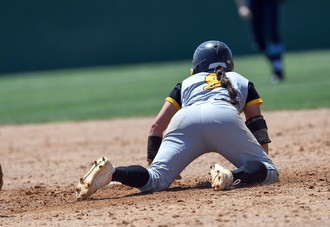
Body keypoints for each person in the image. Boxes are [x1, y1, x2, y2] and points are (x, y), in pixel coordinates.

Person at [75, 40, 279, 200]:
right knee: (268, 171)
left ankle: (113, 173)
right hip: (223, 117)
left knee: (155, 180)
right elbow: (256, 123)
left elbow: (156, 126)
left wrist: (153, 163)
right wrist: (262, 158)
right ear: (229, 65)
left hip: (185, 121)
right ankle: (230, 176)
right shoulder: (241, 80)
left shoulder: (186, 83)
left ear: (197, 66)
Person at [234, 0, 285, 83]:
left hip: (270, 3)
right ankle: (274, 63)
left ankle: (278, 69)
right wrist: (242, 6)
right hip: (253, 4)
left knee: (272, 34)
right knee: (259, 42)